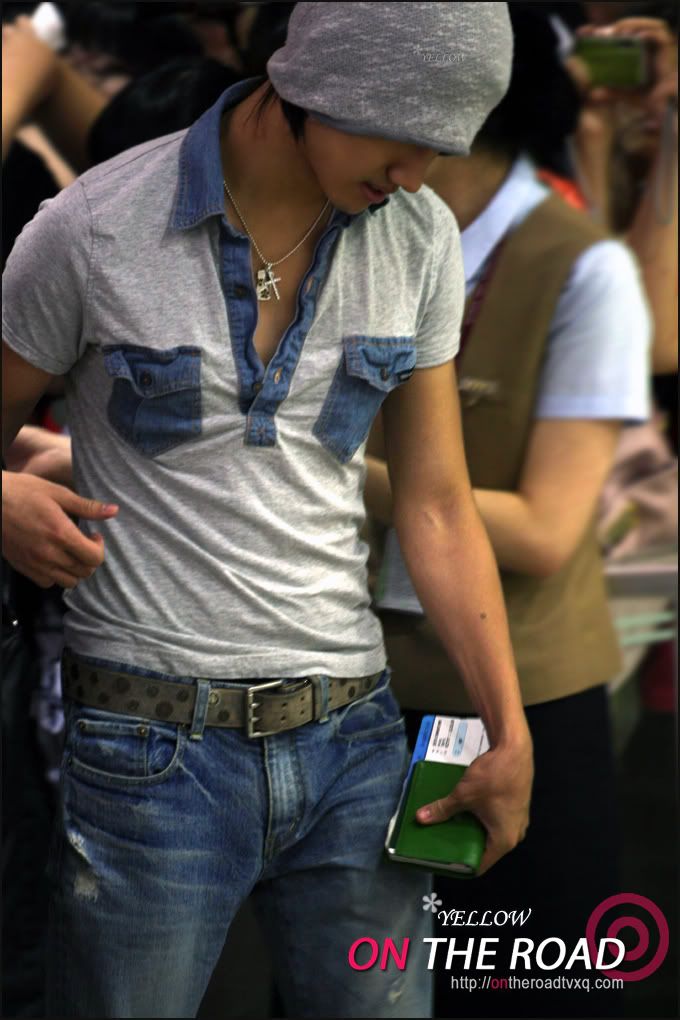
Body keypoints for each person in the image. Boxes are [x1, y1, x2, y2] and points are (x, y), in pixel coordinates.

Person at [3, 4, 534, 1017]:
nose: (414, 174)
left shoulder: (418, 235)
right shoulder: (94, 226)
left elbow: (436, 504)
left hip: (355, 737)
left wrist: (508, 728)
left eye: (442, 147)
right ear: (315, 83)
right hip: (148, 743)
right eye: (399, 136)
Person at [364, 5, 650, 1017]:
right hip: (363, 685)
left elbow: (544, 528)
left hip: (516, 697)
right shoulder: (365, 232)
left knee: (518, 981)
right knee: (370, 978)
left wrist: (322, 471)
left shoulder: (580, 267)